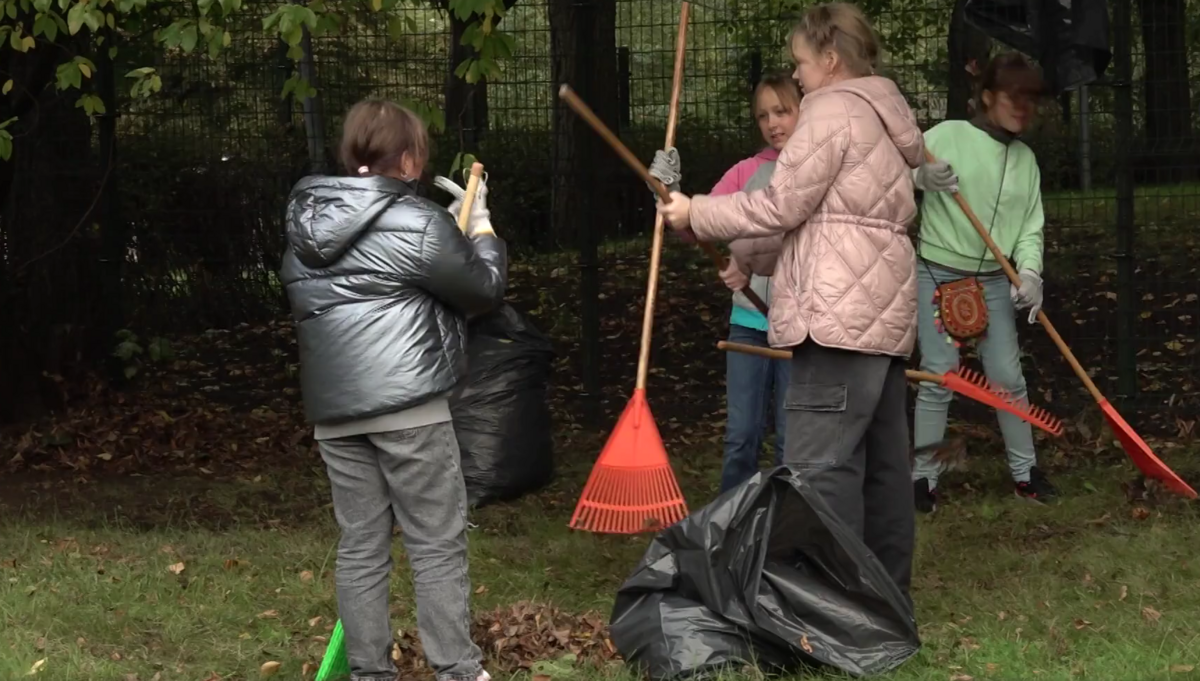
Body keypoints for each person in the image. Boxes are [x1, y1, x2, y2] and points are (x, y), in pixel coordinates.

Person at [651, 2, 924, 597]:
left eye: (801, 62)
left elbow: (780, 202)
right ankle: (884, 607)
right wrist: (751, 257)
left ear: (829, 60)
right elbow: (838, 224)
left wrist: (695, 209)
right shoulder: (885, 117)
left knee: (818, 474)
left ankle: (826, 614)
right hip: (880, 322)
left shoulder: (830, 112)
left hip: (834, 323)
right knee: (883, 472)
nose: (796, 75)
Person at [280, 99, 505, 681]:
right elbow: (481, 292)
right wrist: (479, 230)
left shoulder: (303, 230)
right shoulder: (419, 221)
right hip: (410, 407)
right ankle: (457, 670)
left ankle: (369, 674)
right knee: (435, 541)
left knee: (361, 546)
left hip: (336, 416)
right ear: (407, 158)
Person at [909, 52, 1056, 513]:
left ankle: (1025, 471)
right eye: (1015, 96)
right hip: (938, 272)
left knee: (1008, 379)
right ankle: (921, 480)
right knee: (939, 376)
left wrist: (1030, 272)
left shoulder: (1026, 160)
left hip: (995, 279)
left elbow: (1031, 225)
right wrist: (918, 175)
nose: (1023, 106)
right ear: (988, 96)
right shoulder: (946, 136)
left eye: (1031, 98)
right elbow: (888, 172)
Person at [710, 72, 802, 493]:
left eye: (782, 111)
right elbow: (696, 223)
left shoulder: (817, 170)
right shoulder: (746, 171)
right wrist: (668, 191)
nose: (773, 123)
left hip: (799, 327)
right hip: (748, 322)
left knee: (792, 437)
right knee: (741, 435)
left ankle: (785, 524)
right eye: (764, 115)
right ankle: (730, 524)